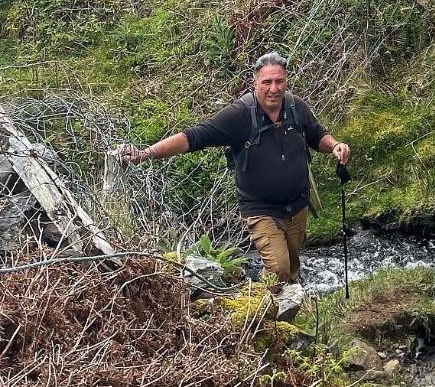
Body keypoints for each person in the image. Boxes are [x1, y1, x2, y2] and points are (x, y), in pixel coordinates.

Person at [117, 51, 351, 283]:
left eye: (279, 81)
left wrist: (334, 146)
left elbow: (316, 135)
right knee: (278, 268)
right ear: (255, 82)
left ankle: (285, 312)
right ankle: (264, 308)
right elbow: (194, 137)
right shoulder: (240, 115)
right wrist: (144, 154)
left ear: (286, 81)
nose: (274, 88)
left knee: (291, 266)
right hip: (261, 208)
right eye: (267, 82)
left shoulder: (295, 107)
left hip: (298, 205)